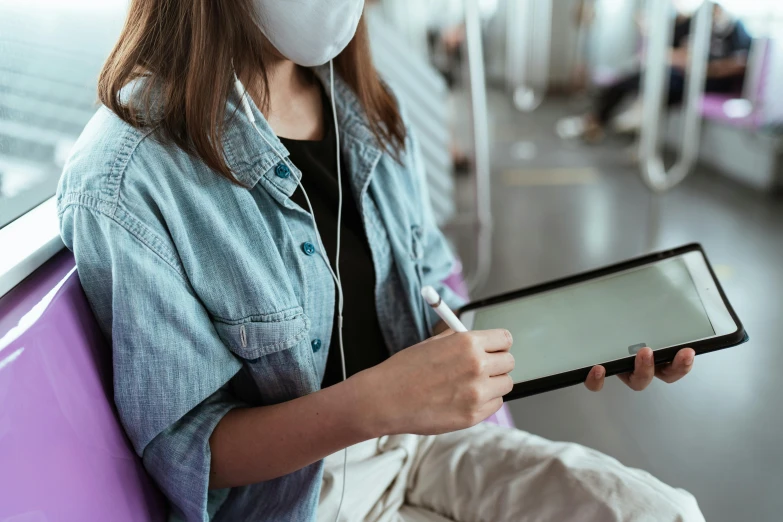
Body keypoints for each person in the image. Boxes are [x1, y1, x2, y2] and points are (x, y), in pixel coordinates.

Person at [57, 1, 703, 520]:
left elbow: (431, 299)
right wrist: (372, 404)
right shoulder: (129, 179)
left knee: (663, 511)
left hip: (425, 447)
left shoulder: (366, 109)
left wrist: (569, 344)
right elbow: (192, 450)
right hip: (304, 498)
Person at [560, 5, 753, 142]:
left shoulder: (736, 30)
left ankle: (638, 112)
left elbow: (739, 63)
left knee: (661, 80)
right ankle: (598, 119)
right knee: (636, 77)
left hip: (706, 81)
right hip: (678, 73)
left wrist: (706, 68)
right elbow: (669, 42)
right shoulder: (694, 23)